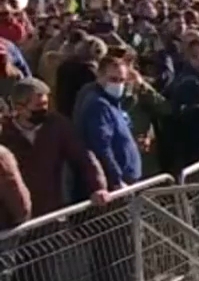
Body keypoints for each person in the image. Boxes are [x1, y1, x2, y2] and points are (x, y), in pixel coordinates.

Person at [0, 78, 108, 215]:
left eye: (46, 104)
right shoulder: (5, 133)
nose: (44, 110)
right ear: (19, 107)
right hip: (15, 217)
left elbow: (83, 156)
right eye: (38, 106)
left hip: (52, 211)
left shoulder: (56, 125)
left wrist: (98, 187)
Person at [76, 56, 142, 190]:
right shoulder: (99, 105)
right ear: (100, 76)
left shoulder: (112, 102)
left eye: (122, 80)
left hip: (128, 179)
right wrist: (116, 179)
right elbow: (101, 146)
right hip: (118, 185)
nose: (118, 85)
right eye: (113, 79)